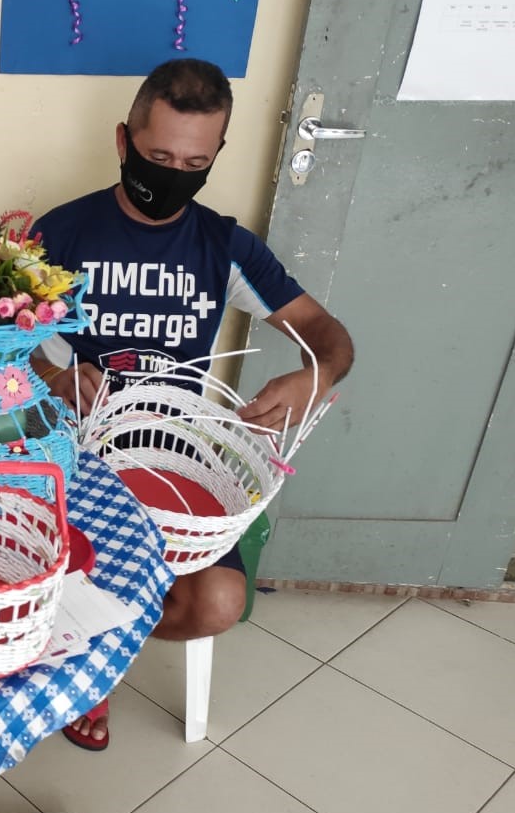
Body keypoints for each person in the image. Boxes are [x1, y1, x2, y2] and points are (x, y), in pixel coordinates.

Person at [30, 59, 354, 750]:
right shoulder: (60, 235)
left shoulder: (222, 245)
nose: (173, 173)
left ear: (215, 157)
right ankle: (88, 666)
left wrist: (314, 375)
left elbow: (329, 336)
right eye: (157, 157)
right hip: (77, 453)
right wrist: (57, 376)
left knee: (219, 602)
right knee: (51, 564)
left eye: (194, 161)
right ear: (122, 142)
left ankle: (97, 646)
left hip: (177, 462)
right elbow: (10, 346)